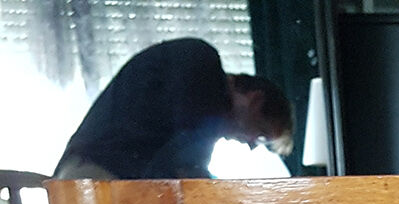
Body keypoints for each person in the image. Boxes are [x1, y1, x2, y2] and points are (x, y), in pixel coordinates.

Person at [54, 37, 292, 180]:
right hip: (96, 177)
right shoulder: (202, 60)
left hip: (98, 175)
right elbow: (189, 163)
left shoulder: (197, 70)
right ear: (255, 101)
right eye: (260, 135)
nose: (250, 145)